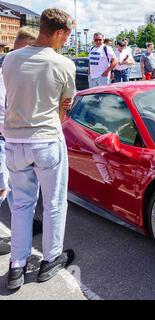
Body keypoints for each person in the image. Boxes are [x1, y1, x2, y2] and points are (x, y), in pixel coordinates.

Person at [2, 8, 77, 290]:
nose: (66, 42)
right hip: (45, 139)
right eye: (66, 36)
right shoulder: (62, 64)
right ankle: (50, 259)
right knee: (55, 202)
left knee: (21, 205)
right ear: (58, 32)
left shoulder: (9, 59)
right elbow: (64, 108)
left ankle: (17, 266)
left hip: (14, 141)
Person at [0, 27, 44, 257]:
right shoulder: (6, 72)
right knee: (3, 189)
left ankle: (23, 228)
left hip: (11, 138)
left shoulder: (10, 68)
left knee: (17, 193)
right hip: (8, 138)